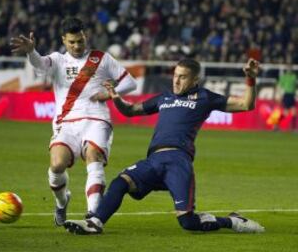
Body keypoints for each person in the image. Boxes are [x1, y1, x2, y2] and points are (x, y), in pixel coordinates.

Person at [64, 58, 265, 234]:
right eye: (175, 75)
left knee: (188, 222)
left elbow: (246, 104)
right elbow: (131, 111)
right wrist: (116, 97)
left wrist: (250, 79)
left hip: (178, 161)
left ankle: (232, 221)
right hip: (153, 160)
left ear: (195, 80)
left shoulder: (205, 97)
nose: (176, 80)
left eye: (183, 77)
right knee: (120, 182)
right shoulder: (165, 97)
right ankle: (95, 223)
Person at [10, 17, 137, 226]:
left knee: (93, 156)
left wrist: (108, 94)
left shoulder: (101, 59)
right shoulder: (58, 60)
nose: (77, 46)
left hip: (97, 118)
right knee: (57, 164)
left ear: (85, 36)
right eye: (72, 42)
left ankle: (94, 215)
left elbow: (129, 83)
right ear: (63, 40)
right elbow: (41, 66)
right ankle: (62, 202)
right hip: (66, 122)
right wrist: (31, 51)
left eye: (80, 40)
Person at [274, 64, 297, 131]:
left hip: (292, 95)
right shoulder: (284, 77)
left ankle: (293, 128)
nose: (289, 69)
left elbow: (295, 87)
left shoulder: (294, 76)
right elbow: (279, 86)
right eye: (288, 68)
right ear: (286, 69)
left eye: (290, 68)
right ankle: (276, 125)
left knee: (294, 112)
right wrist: (278, 96)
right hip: (287, 95)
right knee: (286, 112)